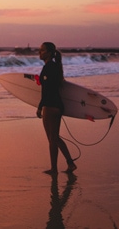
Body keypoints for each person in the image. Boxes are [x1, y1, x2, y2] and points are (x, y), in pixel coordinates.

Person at [36, 42, 77, 175]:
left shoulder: (49, 68)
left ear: (48, 53)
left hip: (50, 106)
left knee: (52, 139)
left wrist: (40, 107)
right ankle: (70, 163)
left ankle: (54, 169)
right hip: (57, 106)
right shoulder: (55, 67)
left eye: (42, 50)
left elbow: (46, 90)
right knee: (55, 138)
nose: (39, 52)